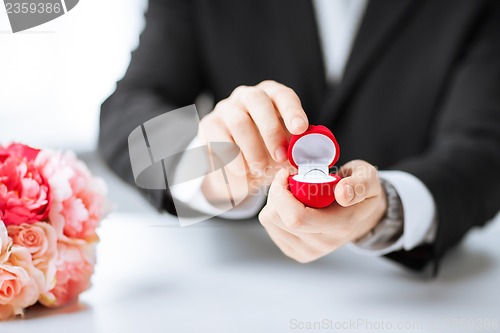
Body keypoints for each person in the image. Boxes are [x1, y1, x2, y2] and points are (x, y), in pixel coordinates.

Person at [99, 0, 500, 275]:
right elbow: (130, 106)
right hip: (231, 283)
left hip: (409, 294)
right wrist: (202, 165)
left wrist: (388, 208)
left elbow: (485, 147)